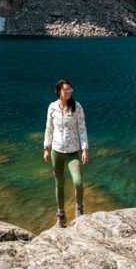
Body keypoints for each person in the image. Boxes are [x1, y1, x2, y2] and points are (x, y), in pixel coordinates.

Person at [43, 79, 89, 228]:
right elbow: (49, 128)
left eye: (71, 89)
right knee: (59, 183)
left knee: (78, 182)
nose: (69, 91)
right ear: (59, 92)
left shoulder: (77, 107)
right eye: (66, 89)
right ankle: (61, 215)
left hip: (72, 152)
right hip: (56, 151)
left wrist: (85, 149)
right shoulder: (52, 107)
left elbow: (82, 128)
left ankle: (79, 209)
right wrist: (46, 148)